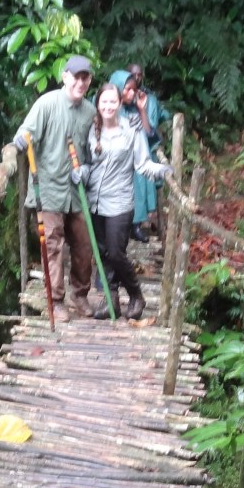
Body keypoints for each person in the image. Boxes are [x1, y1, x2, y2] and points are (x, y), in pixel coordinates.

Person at [74, 82, 169, 320]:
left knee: (116, 253)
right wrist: (81, 174)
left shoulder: (131, 129)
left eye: (112, 101)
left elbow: (143, 164)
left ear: (119, 104)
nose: (108, 106)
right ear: (98, 104)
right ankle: (111, 301)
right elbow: (87, 165)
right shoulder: (91, 130)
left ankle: (137, 295)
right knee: (104, 254)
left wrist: (164, 170)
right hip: (95, 200)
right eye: (103, 101)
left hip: (120, 202)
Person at [12, 55, 96, 319]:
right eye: (76, 77)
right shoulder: (47, 103)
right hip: (48, 188)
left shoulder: (91, 112)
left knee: (84, 243)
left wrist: (88, 169)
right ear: (65, 77)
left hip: (77, 190)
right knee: (53, 244)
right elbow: (26, 133)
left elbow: (95, 150)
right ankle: (56, 300)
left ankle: (80, 294)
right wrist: (20, 142)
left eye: (86, 78)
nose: (81, 83)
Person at [109, 64, 167, 241]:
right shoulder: (109, 107)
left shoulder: (135, 108)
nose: (133, 94)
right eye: (128, 90)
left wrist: (142, 110)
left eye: (134, 90)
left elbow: (148, 134)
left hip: (134, 158)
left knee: (140, 178)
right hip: (114, 162)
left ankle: (136, 226)